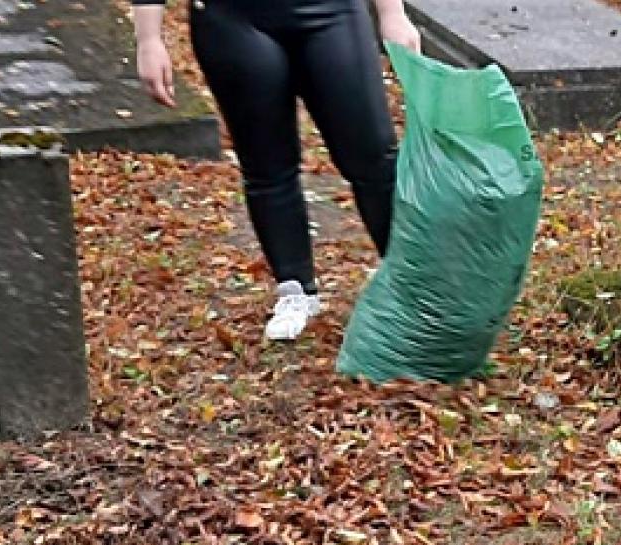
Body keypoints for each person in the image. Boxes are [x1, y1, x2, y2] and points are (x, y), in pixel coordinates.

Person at [131, 0, 421, 340]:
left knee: (373, 156)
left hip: (332, 12)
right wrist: (148, 38)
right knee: (266, 164)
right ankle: (296, 289)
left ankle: (410, 284)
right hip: (233, 20)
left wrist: (393, 14)